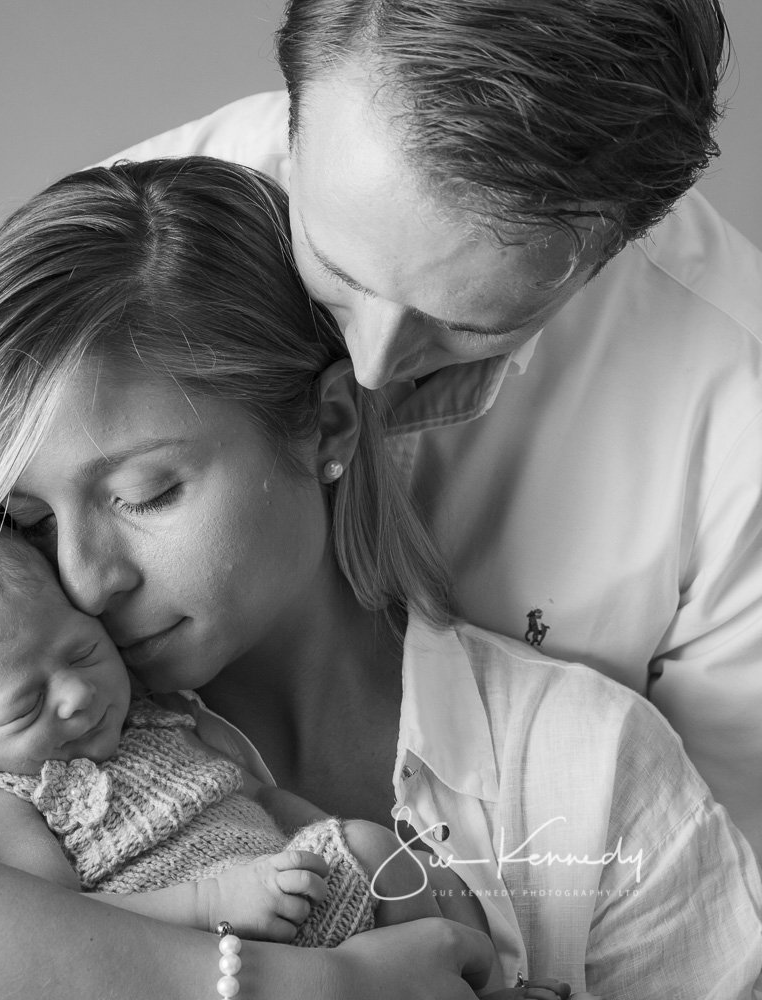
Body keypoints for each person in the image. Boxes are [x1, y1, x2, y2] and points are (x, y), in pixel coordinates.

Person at [0, 158, 759, 999]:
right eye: (28, 519)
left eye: (145, 493)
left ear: (326, 426)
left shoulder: (582, 766)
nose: (83, 576)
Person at [99, 0, 762, 858]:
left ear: (617, 245)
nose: (370, 369)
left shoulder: (739, 411)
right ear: (298, 114)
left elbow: (716, 893)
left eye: (470, 323)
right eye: (335, 268)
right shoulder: (116, 251)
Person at [0, 522, 504, 955]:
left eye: (82, 652)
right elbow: (62, 927)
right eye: (25, 705)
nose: (76, 695)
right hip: (206, 951)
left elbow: (256, 797)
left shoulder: (155, 719)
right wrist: (211, 904)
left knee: (379, 851)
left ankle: (485, 979)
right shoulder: (3, 801)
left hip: (285, 890)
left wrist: (307, 839)